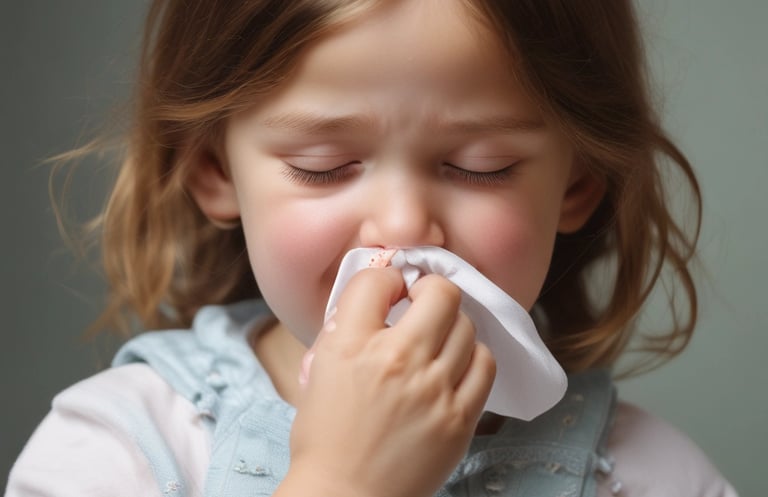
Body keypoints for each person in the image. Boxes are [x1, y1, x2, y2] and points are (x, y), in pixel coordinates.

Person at [6, 1, 738, 496]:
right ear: (214, 169)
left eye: (480, 166)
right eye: (325, 165)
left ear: (578, 180)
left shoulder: (649, 475)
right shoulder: (119, 449)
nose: (403, 225)